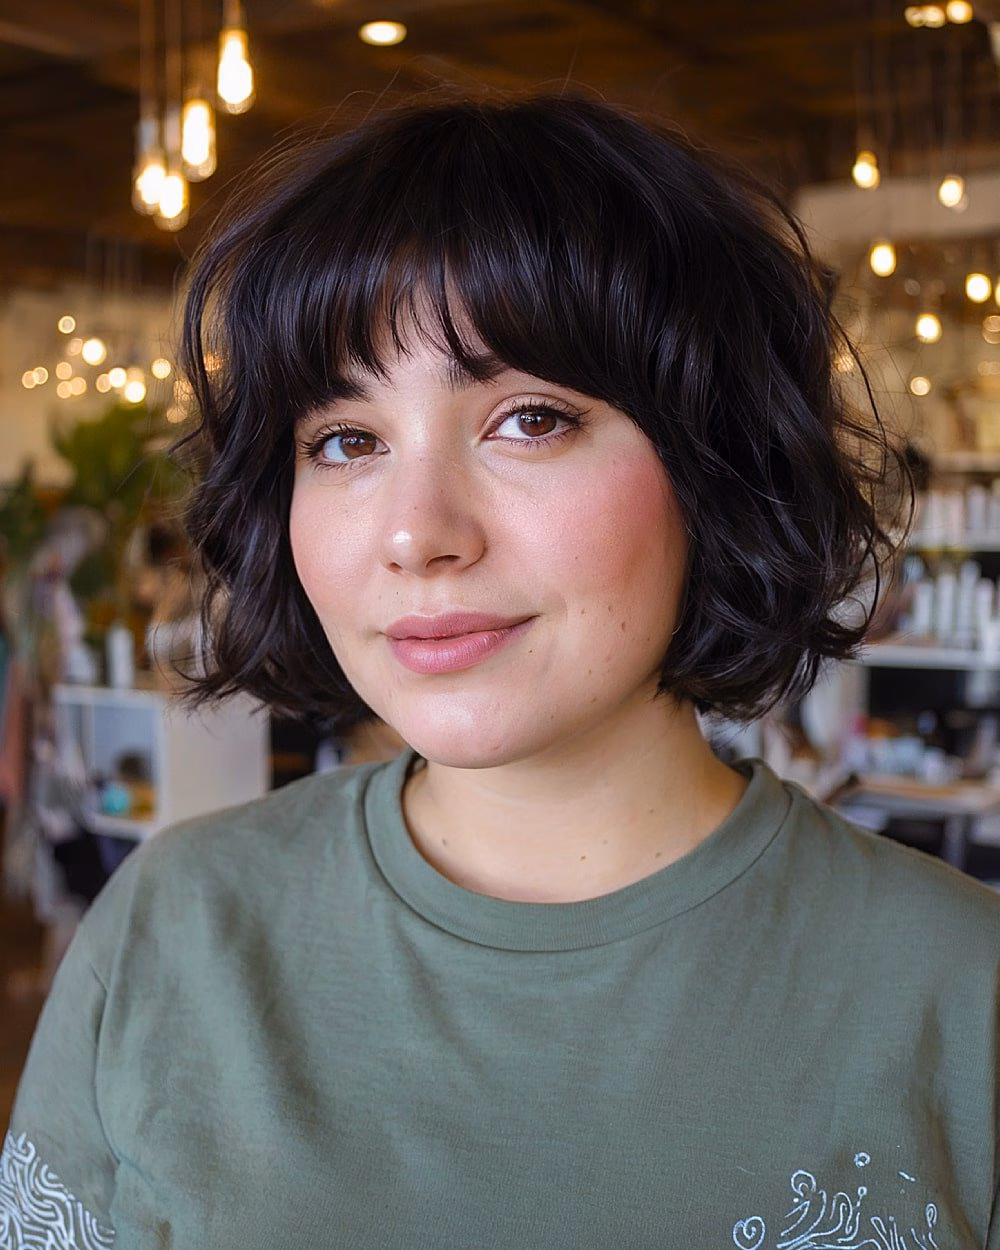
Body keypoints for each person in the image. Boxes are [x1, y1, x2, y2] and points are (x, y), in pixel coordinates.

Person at [2, 92, 998, 1249]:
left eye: (529, 418)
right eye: (345, 440)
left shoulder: (958, 990)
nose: (417, 531)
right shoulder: (172, 931)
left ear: (711, 464)